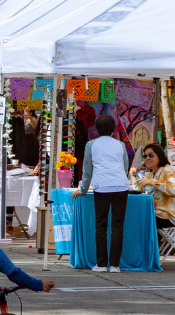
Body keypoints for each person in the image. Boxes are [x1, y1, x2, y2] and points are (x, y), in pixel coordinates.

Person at [73, 111, 131, 271]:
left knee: (101, 225)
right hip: (121, 186)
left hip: (102, 187)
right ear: (113, 130)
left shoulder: (91, 145)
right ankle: (115, 265)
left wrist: (83, 189)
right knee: (118, 225)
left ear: (96, 130)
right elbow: (125, 167)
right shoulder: (120, 145)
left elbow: (87, 171)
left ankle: (101, 263)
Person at [132, 143, 175, 234]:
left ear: (159, 156)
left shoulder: (167, 170)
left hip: (168, 216)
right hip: (155, 213)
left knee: (137, 220)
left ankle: (146, 247)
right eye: (145, 156)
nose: (147, 158)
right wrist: (134, 177)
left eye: (151, 155)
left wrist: (152, 182)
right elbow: (139, 190)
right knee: (132, 216)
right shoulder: (151, 173)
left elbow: (173, 190)